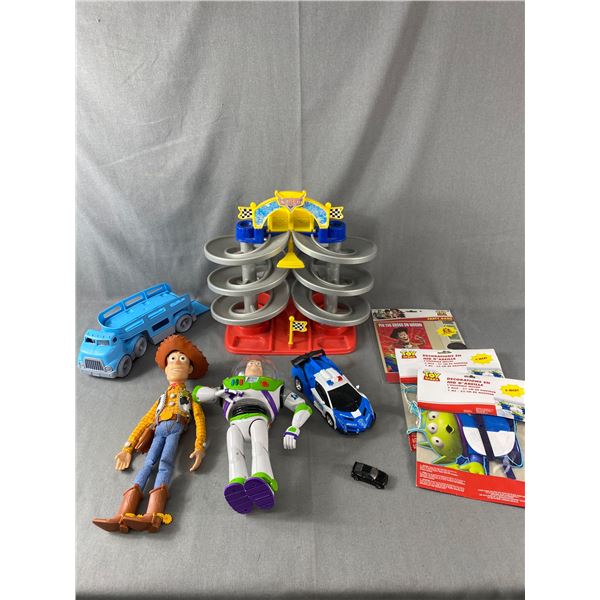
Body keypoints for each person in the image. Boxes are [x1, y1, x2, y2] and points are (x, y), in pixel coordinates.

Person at [92, 334, 209, 533]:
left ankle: (153, 514)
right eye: (172, 359)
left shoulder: (190, 398)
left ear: (189, 369)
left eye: (182, 359)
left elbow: (199, 419)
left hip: (175, 430)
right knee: (148, 464)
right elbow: (145, 420)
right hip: (158, 431)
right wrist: (128, 447)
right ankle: (123, 513)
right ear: (166, 369)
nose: (176, 362)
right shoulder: (161, 399)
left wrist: (199, 446)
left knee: (165, 463)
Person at [194, 357, 311, 514]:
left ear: (264, 371)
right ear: (243, 369)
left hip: (259, 418)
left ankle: (263, 478)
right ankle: (237, 482)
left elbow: (302, 406)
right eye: (251, 363)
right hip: (235, 422)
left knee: (259, 447)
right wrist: (216, 393)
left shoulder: (275, 387)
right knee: (234, 451)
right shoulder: (228, 385)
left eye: (258, 364)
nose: (254, 365)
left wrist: (294, 428)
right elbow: (197, 394)